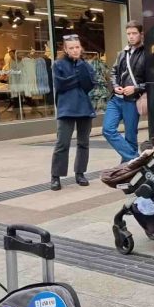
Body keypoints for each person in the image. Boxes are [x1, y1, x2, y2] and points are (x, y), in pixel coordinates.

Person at [50, 34, 96, 191]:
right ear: (65, 49)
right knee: (62, 143)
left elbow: (89, 85)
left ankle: (80, 173)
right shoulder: (58, 65)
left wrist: (77, 74)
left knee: (83, 143)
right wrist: (78, 77)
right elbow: (60, 85)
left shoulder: (86, 65)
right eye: (71, 48)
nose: (75, 50)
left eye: (77, 47)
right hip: (66, 109)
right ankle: (55, 176)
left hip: (84, 109)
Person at [103, 20, 146, 163]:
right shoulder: (123, 53)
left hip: (132, 100)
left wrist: (136, 88)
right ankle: (135, 159)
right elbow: (113, 72)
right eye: (128, 34)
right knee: (107, 129)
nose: (131, 36)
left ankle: (128, 169)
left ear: (141, 34)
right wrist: (115, 86)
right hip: (116, 99)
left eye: (134, 33)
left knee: (130, 136)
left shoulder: (146, 54)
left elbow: (153, 81)